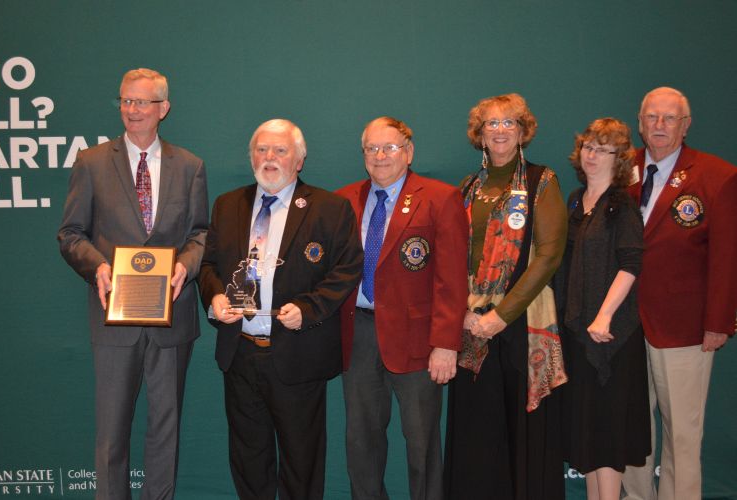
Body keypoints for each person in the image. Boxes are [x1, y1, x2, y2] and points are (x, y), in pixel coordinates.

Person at [57, 68, 209, 500]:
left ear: (164, 108)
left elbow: (201, 233)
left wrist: (186, 265)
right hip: (113, 316)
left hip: (172, 317)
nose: (132, 110)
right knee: (111, 434)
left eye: (142, 102)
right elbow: (70, 234)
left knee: (166, 431)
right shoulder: (91, 162)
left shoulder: (190, 166)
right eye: (125, 101)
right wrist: (97, 268)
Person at [198, 119, 363, 500]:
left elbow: (347, 268)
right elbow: (207, 267)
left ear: (300, 159)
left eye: (280, 150)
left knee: (301, 462)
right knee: (248, 458)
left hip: (297, 354)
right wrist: (215, 297)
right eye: (262, 150)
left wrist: (309, 309)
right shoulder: (228, 205)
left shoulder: (330, 208)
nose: (269, 158)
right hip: (239, 353)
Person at [443, 93, 568, 500]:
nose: (499, 130)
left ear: (522, 131)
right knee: (477, 432)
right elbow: (452, 255)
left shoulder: (541, 181)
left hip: (521, 324)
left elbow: (549, 256)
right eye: (490, 124)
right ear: (479, 134)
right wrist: (462, 312)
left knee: (522, 431)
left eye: (508, 122)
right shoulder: (467, 188)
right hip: (470, 325)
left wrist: (502, 315)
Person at [336, 116, 468, 500]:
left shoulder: (441, 198)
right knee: (360, 441)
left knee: (422, 443)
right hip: (358, 334)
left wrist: (446, 344)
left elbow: (452, 279)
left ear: (409, 152)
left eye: (389, 147)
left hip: (419, 341)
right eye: (372, 149)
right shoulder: (344, 200)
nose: (380, 156)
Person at [621, 87, 737, 500]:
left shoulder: (716, 176)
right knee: (634, 426)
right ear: (639, 122)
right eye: (651, 117)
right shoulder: (622, 170)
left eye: (669, 118)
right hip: (626, 325)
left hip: (685, 327)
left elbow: (727, 258)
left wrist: (718, 324)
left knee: (682, 432)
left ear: (686, 125)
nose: (659, 126)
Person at [555, 118, 650, 500]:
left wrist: (605, 315)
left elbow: (631, 264)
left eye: (603, 149)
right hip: (579, 333)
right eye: (588, 147)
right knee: (590, 433)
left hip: (610, 336)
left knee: (607, 435)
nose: (592, 156)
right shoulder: (576, 200)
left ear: (620, 159)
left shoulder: (621, 204)